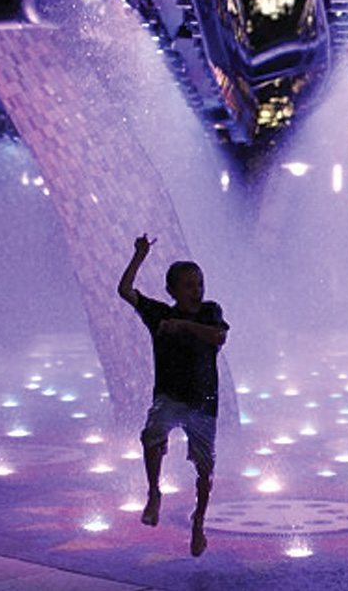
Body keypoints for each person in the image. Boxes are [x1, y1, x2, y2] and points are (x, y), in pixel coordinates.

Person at [118, 233, 229, 557]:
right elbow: (125, 291)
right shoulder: (158, 314)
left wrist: (183, 327)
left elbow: (219, 337)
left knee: (205, 470)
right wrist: (139, 256)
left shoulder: (210, 311)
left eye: (199, 284)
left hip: (204, 402)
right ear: (172, 291)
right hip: (169, 397)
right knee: (152, 434)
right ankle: (154, 492)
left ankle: (199, 523)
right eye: (189, 285)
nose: (197, 291)